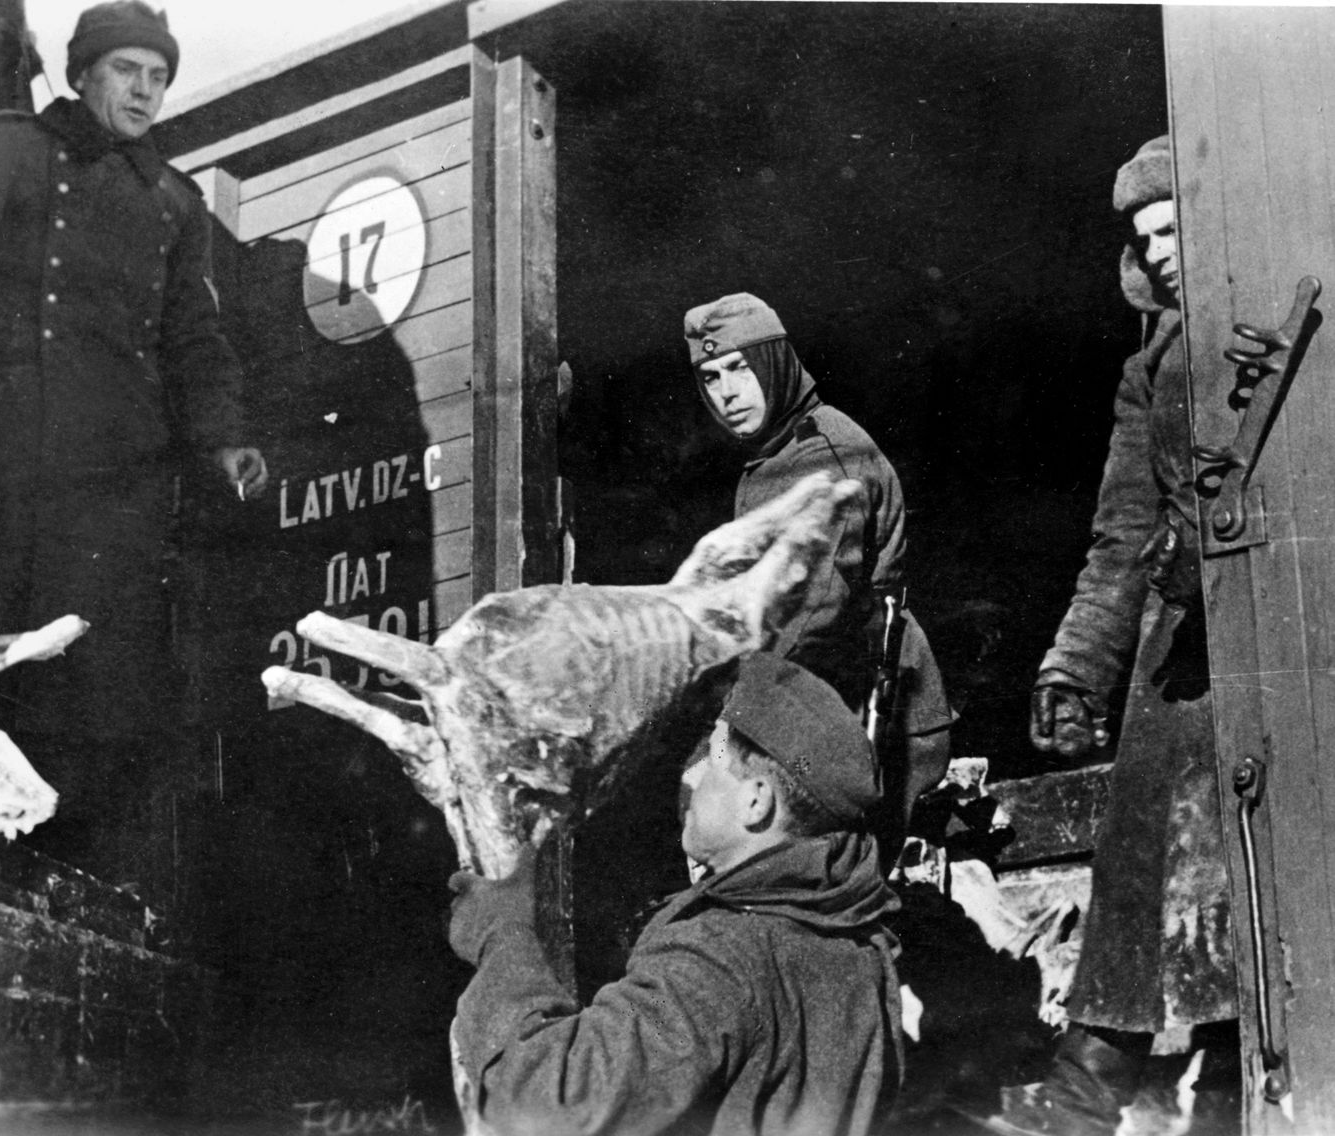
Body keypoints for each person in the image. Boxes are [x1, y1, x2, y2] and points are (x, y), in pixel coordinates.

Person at [0, 1, 267, 889]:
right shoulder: (10, 149)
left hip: (117, 484)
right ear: (84, 72)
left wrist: (222, 438)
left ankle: (71, 877)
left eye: (159, 76)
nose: (145, 91)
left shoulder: (171, 203)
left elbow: (193, 342)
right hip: (5, 460)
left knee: (99, 687)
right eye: (127, 70)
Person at [988, 136, 1237, 1136]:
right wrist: (1075, 666)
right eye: (1145, 235)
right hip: (1180, 659)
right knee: (1141, 859)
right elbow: (1121, 533)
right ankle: (1087, 1093)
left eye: (1174, 223)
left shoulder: (1268, 329)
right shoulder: (1149, 370)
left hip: (1277, 642)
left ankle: (1235, 1084)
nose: (1162, 248)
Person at [448, 652, 904, 1136]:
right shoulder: (858, 940)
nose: (690, 776)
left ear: (756, 802)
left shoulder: (721, 958)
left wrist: (504, 936)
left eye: (712, 762)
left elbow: (549, 1101)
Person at [683, 292, 954, 834]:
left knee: (800, 869)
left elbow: (809, 622)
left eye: (739, 368)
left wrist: (723, 739)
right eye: (711, 378)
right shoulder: (777, 455)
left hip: (870, 719)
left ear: (774, 362)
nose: (728, 393)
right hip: (814, 706)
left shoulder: (821, 456)